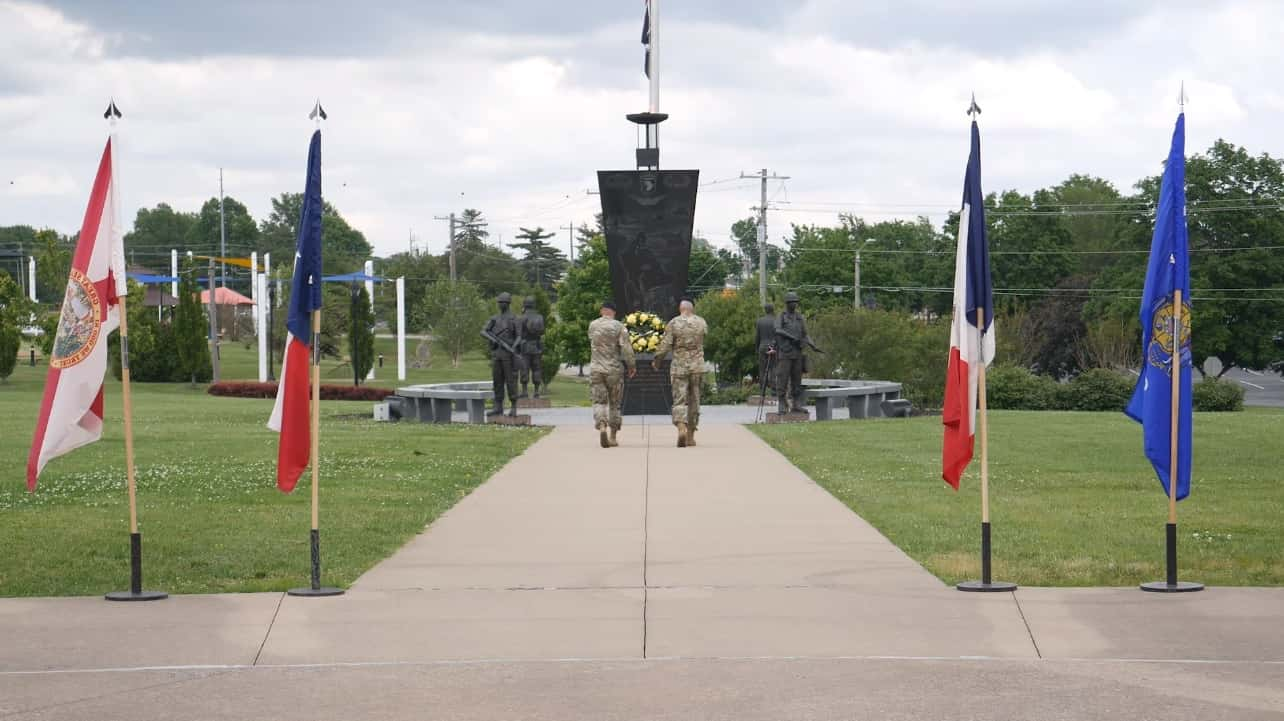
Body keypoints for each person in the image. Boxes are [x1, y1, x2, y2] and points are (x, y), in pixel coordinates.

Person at [653, 298, 708, 448]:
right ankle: (690, 436)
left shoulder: (674, 323)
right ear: (692, 309)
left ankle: (681, 427)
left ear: (680, 308)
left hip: (679, 366)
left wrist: (657, 361)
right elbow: (704, 339)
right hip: (697, 367)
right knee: (694, 400)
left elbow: (665, 345)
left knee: (680, 399)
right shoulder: (701, 322)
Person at [588, 301, 636, 448]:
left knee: (599, 402)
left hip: (596, 369)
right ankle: (613, 436)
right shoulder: (619, 327)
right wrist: (631, 366)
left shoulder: (593, 325)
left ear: (602, 311)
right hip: (614, 370)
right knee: (615, 404)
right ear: (613, 312)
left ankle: (602, 425)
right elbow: (626, 349)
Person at [481, 292, 520, 417]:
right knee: (497, 381)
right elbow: (483, 331)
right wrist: (494, 340)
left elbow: (519, 336)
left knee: (511, 380)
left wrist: (512, 347)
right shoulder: (494, 318)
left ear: (507, 303)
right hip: (497, 353)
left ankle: (513, 406)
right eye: (499, 302)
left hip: (508, 355)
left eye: (502, 302)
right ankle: (498, 406)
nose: (499, 304)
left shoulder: (514, 319)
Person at [774, 291, 811, 415]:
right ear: (787, 303)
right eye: (792, 302)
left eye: (796, 302)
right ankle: (782, 403)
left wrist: (812, 344)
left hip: (797, 353)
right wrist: (791, 337)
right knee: (782, 379)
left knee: (797, 380)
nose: (795, 304)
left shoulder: (800, 317)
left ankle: (796, 404)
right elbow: (777, 330)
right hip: (785, 352)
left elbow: (805, 334)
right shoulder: (781, 316)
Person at [517, 297, 546, 399]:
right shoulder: (540, 317)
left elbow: (519, 334)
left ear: (524, 305)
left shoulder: (521, 318)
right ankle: (536, 392)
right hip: (537, 346)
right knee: (537, 369)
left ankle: (524, 391)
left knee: (524, 368)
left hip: (525, 347)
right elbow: (542, 331)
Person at [754, 303, 777, 395]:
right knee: (773, 368)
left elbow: (757, 336)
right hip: (772, 346)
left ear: (765, 310)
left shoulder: (760, 321)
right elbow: (777, 335)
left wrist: (756, 348)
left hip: (762, 346)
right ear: (773, 310)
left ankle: (762, 390)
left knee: (762, 369)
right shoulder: (776, 321)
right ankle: (773, 390)